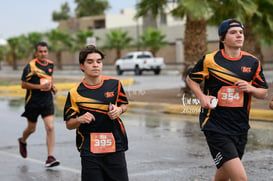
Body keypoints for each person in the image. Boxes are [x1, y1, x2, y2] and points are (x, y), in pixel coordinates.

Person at [186, 19, 268, 180]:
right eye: (233, 32)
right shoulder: (210, 60)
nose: (239, 35)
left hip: (240, 127)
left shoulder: (252, 62)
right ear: (222, 38)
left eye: (241, 32)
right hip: (215, 126)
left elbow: (263, 92)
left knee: (223, 174)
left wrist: (250, 88)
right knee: (240, 178)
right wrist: (202, 97)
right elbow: (191, 79)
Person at [63, 45, 129, 181]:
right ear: (82, 66)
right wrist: (80, 119)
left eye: (99, 61)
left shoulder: (114, 84)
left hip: (115, 146)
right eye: (90, 62)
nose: (95, 65)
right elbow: (69, 124)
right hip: (89, 149)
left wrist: (119, 110)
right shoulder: (75, 92)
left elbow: (124, 104)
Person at [18, 41, 60, 167]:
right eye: (40, 51)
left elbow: (48, 79)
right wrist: (39, 86)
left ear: (48, 52)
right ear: (36, 53)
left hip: (47, 101)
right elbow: (23, 84)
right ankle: (23, 140)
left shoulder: (51, 64)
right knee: (31, 129)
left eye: (45, 51)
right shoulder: (30, 66)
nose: (43, 54)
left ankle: (50, 157)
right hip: (33, 102)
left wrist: (52, 87)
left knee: (50, 127)